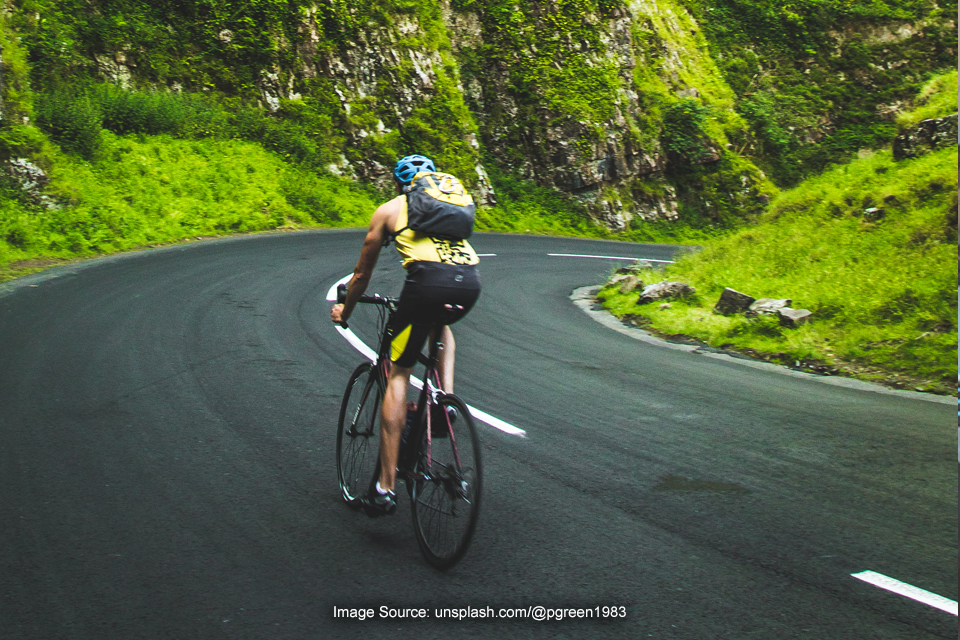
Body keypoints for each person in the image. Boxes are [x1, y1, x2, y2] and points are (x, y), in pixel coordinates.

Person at [330, 154, 481, 516]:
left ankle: (384, 488)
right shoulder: (447, 210)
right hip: (469, 283)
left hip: (427, 284)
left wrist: (344, 312)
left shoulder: (389, 210)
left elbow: (361, 275)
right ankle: (444, 399)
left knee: (399, 374)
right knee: (439, 324)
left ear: (400, 185)